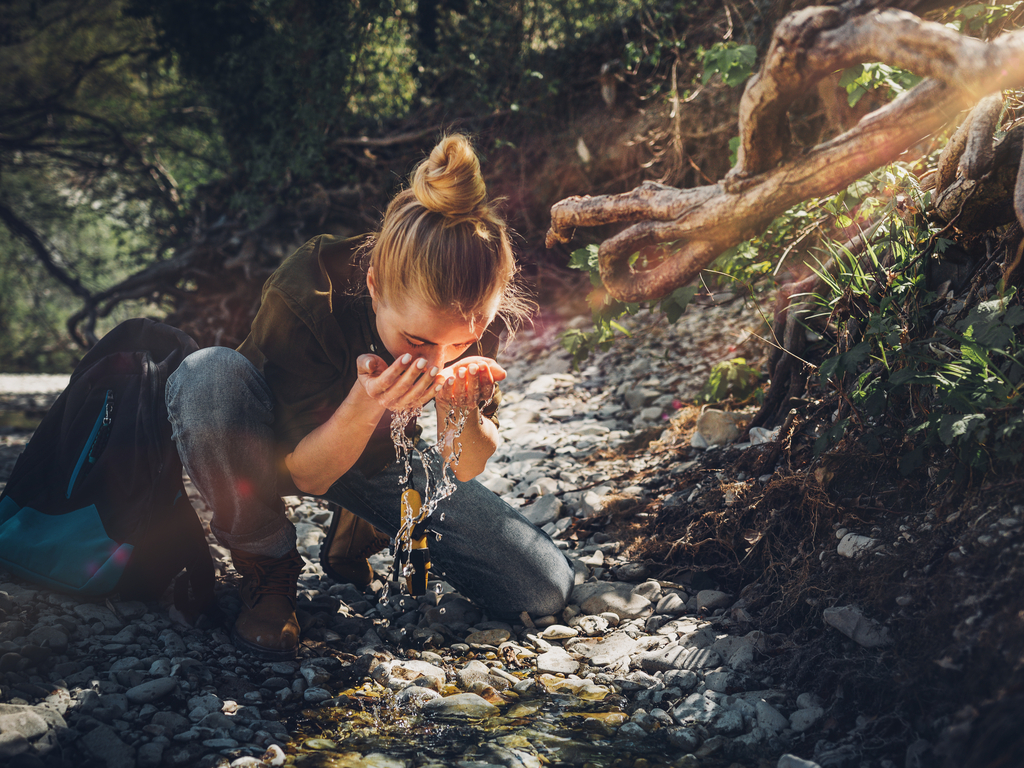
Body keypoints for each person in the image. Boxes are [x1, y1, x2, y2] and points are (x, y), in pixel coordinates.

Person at [165, 134, 575, 659]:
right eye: (419, 341)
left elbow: (465, 465)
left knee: (542, 587)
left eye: (460, 343)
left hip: (376, 458)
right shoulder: (311, 287)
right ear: (376, 286)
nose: (437, 361)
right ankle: (267, 567)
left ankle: (358, 523)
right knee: (207, 374)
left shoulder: (468, 305)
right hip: (267, 443)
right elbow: (305, 475)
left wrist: (460, 412)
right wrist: (366, 403)